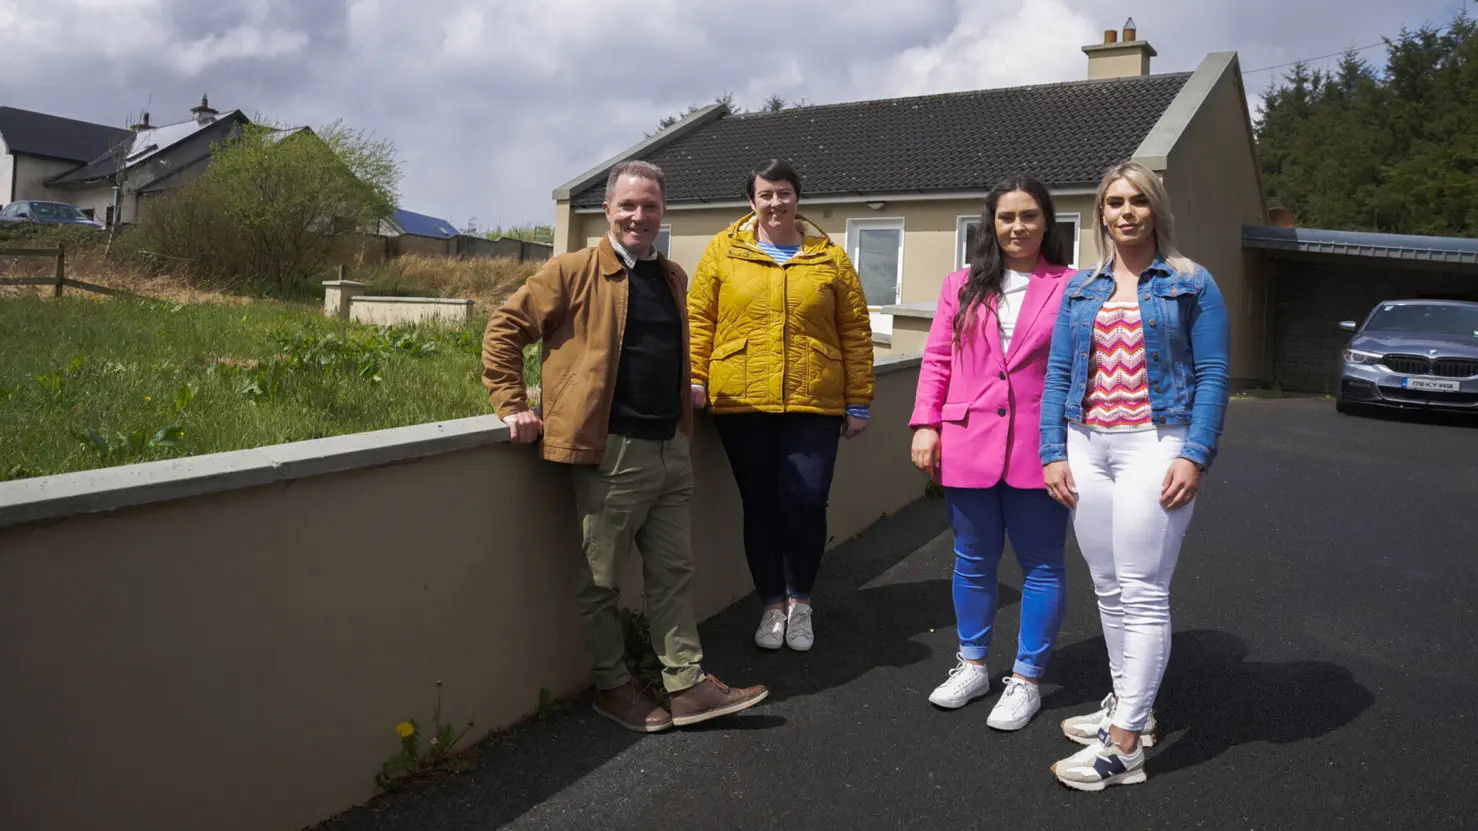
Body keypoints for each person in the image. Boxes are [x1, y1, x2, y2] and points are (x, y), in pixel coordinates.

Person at [482, 160, 767, 732]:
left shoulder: (671, 276)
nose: (641, 216)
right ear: (608, 210)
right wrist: (513, 404)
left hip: (670, 448)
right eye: (629, 206)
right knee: (602, 582)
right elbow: (504, 328)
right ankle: (612, 688)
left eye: (651, 206)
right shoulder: (573, 270)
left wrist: (687, 389)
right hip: (608, 451)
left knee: (672, 575)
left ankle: (685, 687)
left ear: (664, 213)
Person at [1039, 160, 1229, 790]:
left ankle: (1123, 749)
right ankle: (1131, 711)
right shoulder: (1082, 288)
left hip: (1157, 442)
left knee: (1143, 589)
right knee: (1109, 587)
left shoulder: (1190, 282)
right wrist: (1053, 451)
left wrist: (1194, 453)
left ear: (1156, 210)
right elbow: (1060, 375)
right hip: (1087, 445)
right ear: (1102, 214)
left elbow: (1213, 375)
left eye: (1137, 202)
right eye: (1114, 203)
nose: (1125, 212)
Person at [688, 159, 874, 653]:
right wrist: (694, 378)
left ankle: (802, 602)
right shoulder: (722, 252)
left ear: (797, 198)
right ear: (752, 201)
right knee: (761, 505)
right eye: (766, 194)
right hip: (741, 399)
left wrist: (859, 400)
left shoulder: (829, 257)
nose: (776, 203)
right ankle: (772, 605)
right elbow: (699, 320)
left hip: (815, 401)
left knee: (807, 501)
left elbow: (855, 330)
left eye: (784, 193)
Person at [909, 176, 1074, 729]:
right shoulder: (961, 285)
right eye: (1007, 217)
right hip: (968, 441)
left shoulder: (1073, 286)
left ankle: (1027, 678)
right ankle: (973, 664)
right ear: (991, 223)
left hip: (1040, 447)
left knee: (1042, 566)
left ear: (1046, 221)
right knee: (973, 562)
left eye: (1029, 216)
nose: (1018, 227)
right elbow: (936, 359)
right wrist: (925, 425)